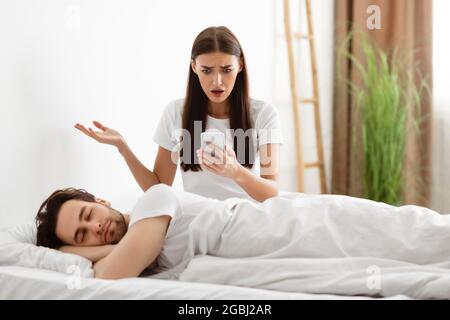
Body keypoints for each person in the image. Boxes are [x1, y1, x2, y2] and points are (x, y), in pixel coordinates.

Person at [35, 184, 450, 280]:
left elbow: (110, 277)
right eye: (83, 234)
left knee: (415, 233)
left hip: (299, 222)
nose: (96, 227)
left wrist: (84, 254)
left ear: (103, 201)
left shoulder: (153, 200)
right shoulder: (137, 250)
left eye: (89, 214)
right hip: (287, 242)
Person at [74, 26, 283, 202]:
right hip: (200, 216)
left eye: (226, 70)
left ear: (240, 66)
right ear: (194, 67)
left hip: (248, 215)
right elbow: (159, 188)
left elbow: (271, 192)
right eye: (207, 70)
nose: (217, 81)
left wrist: (235, 171)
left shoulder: (264, 114)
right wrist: (123, 147)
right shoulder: (176, 113)